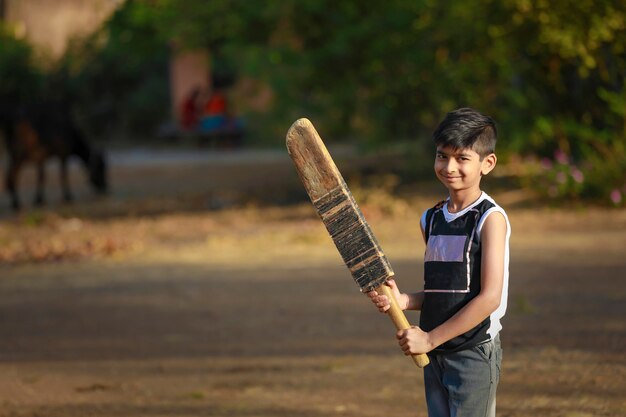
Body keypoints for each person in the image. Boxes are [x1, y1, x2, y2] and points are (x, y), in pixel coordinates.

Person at [367, 107, 511, 417]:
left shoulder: (490, 219)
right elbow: (444, 291)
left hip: (472, 353)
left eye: (462, 158)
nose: (449, 166)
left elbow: (489, 298)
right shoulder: (430, 219)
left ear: (488, 163)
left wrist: (429, 337)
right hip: (433, 353)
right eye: (442, 156)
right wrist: (403, 300)